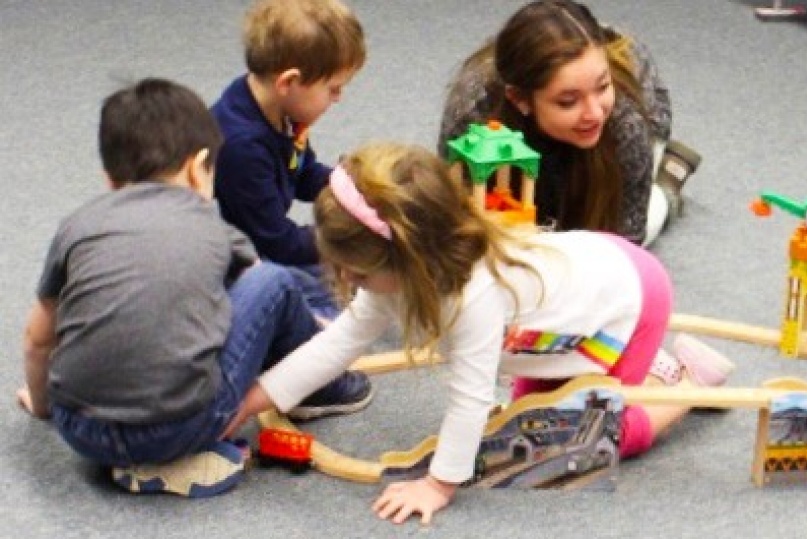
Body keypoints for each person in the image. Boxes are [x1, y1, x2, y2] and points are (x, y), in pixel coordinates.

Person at [224, 142, 733, 525]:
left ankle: (689, 382)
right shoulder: (407, 266)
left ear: (407, 260)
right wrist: (252, 400)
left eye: (356, 272)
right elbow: (337, 344)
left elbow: (470, 397)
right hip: (574, 306)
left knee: (594, 437)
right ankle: (651, 364)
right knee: (526, 419)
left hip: (632, 301)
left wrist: (439, 485)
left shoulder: (474, 298)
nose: (346, 280)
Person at [15, 78, 368, 498]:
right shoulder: (213, 229)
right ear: (198, 167)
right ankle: (321, 390)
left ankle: (149, 459)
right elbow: (263, 297)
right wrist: (317, 341)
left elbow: (38, 338)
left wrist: (43, 406)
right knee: (274, 281)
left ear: (109, 178)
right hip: (177, 427)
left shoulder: (77, 226)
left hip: (80, 429)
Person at [437, 0, 701, 247]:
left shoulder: (625, 125)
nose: (595, 113)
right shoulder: (471, 113)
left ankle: (667, 187)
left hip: (625, 138)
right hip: (524, 139)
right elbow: (454, 226)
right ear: (519, 99)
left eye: (602, 86)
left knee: (628, 226)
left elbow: (625, 247)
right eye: (568, 101)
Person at [211, 0, 366, 323]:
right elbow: (278, 242)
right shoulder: (242, 147)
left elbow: (302, 172)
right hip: (234, 263)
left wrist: (350, 187)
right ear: (288, 83)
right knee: (319, 296)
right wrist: (345, 240)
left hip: (264, 242)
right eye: (333, 88)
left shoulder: (281, 111)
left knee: (344, 273)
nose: (339, 98)